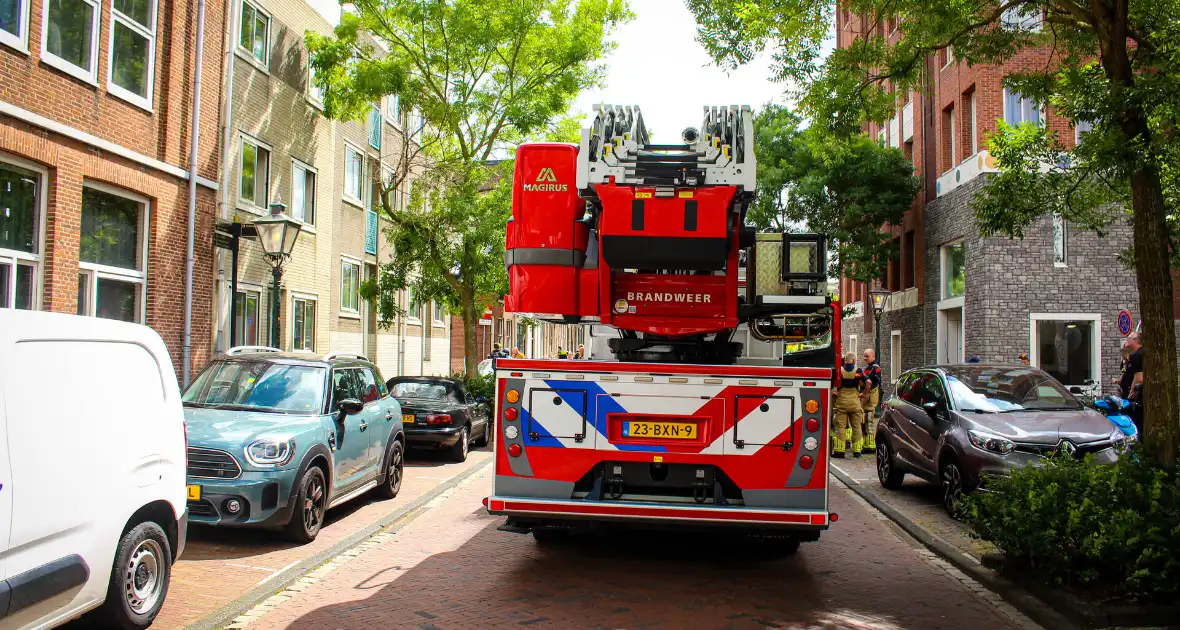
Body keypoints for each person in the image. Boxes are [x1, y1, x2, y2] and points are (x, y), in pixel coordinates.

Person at [832, 352, 866, 459]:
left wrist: (835, 392)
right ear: (854, 360)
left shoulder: (839, 371)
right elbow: (868, 382)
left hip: (842, 402)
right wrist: (864, 393)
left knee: (840, 427)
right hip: (855, 402)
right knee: (856, 426)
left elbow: (834, 386)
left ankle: (839, 451)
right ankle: (857, 451)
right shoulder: (858, 371)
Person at [1119, 332, 1144, 432]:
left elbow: (1139, 377)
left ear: (1137, 340)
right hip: (1134, 394)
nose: (1126, 340)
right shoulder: (1136, 355)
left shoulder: (1138, 355)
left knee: (1134, 420)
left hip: (1135, 397)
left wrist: (1131, 392)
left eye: (1129, 338)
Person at [860, 349, 882, 455]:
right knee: (864, 420)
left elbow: (869, 382)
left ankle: (870, 446)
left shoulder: (875, 368)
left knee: (869, 420)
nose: (865, 358)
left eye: (867, 356)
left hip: (870, 398)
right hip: (867, 398)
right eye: (864, 356)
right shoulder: (869, 368)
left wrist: (864, 393)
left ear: (873, 356)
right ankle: (866, 444)